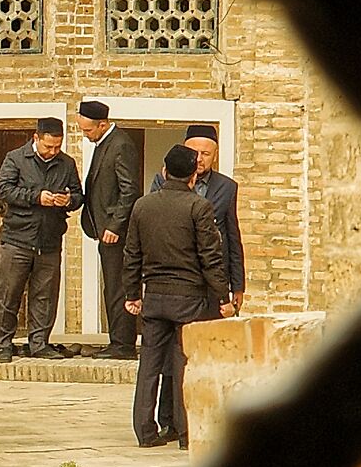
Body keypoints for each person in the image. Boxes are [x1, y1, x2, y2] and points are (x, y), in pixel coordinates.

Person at [122, 144, 231, 447]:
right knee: (185, 364)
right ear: (193, 176)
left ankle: (145, 431)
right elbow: (211, 258)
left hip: (154, 296)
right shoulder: (199, 207)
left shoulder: (143, 206)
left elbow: (132, 255)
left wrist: (132, 293)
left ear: (164, 171)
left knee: (149, 365)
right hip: (189, 299)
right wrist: (223, 298)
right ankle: (186, 433)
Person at [0, 116, 83, 362]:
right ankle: (3, 344)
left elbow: (78, 194)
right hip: (18, 239)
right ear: (36, 138)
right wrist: (36, 197)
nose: (52, 151)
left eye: (57, 147)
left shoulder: (66, 163)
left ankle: (39, 343)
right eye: (47, 146)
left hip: (50, 240)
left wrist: (68, 200)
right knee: (9, 294)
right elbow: (3, 190)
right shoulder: (16, 158)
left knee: (45, 296)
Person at [151, 124, 243, 312]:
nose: (199, 159)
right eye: (194, 153)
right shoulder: (161, 182)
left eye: (205, 154)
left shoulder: (227, 187)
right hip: (176, 278)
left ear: (214, 156)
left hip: (213, 279)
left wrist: (238, 285)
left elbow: (232, 236)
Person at [77, 99, 142, 359]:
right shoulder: (104, 143)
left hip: (117, 233)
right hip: (102, 229)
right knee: (111, 286)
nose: (85, 134)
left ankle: (123, 344)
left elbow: (129, 190)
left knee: (118, 287)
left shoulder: (121, 145)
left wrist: (115, 224)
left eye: (88, 130)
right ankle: (116, 340)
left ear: (102, 124)